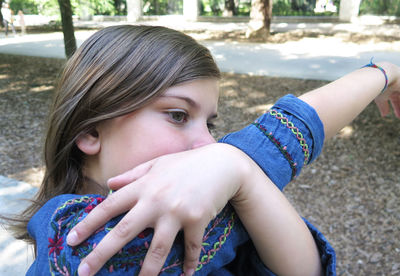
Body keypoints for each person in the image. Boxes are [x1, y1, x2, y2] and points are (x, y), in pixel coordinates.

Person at [6, 25, 399, 275]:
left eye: (209, 123)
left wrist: (239, 169)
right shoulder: (80, 239)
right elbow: (274, 142)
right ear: (91, 130)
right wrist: (238, 165)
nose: (208, 143)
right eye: (178, 115)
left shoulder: (200, 201)